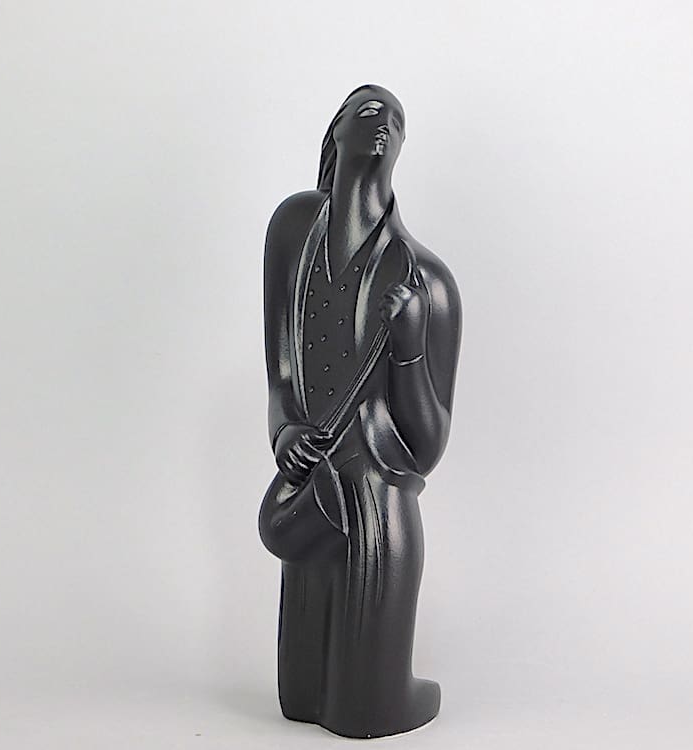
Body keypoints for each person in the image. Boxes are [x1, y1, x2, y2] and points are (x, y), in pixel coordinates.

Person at [259, 84, 462, 738]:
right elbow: (281, 370)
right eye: (369, 111)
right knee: (301, 690)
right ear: (335, 132)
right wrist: (285, 430)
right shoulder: (293, 229)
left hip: (378, 501)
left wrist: (408, 348)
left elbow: (426, 447)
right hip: (312, 482)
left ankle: (388, 697)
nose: (385, 123)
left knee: (365, 708)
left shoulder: (427, 282)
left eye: (397, 121)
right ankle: (323, 690)